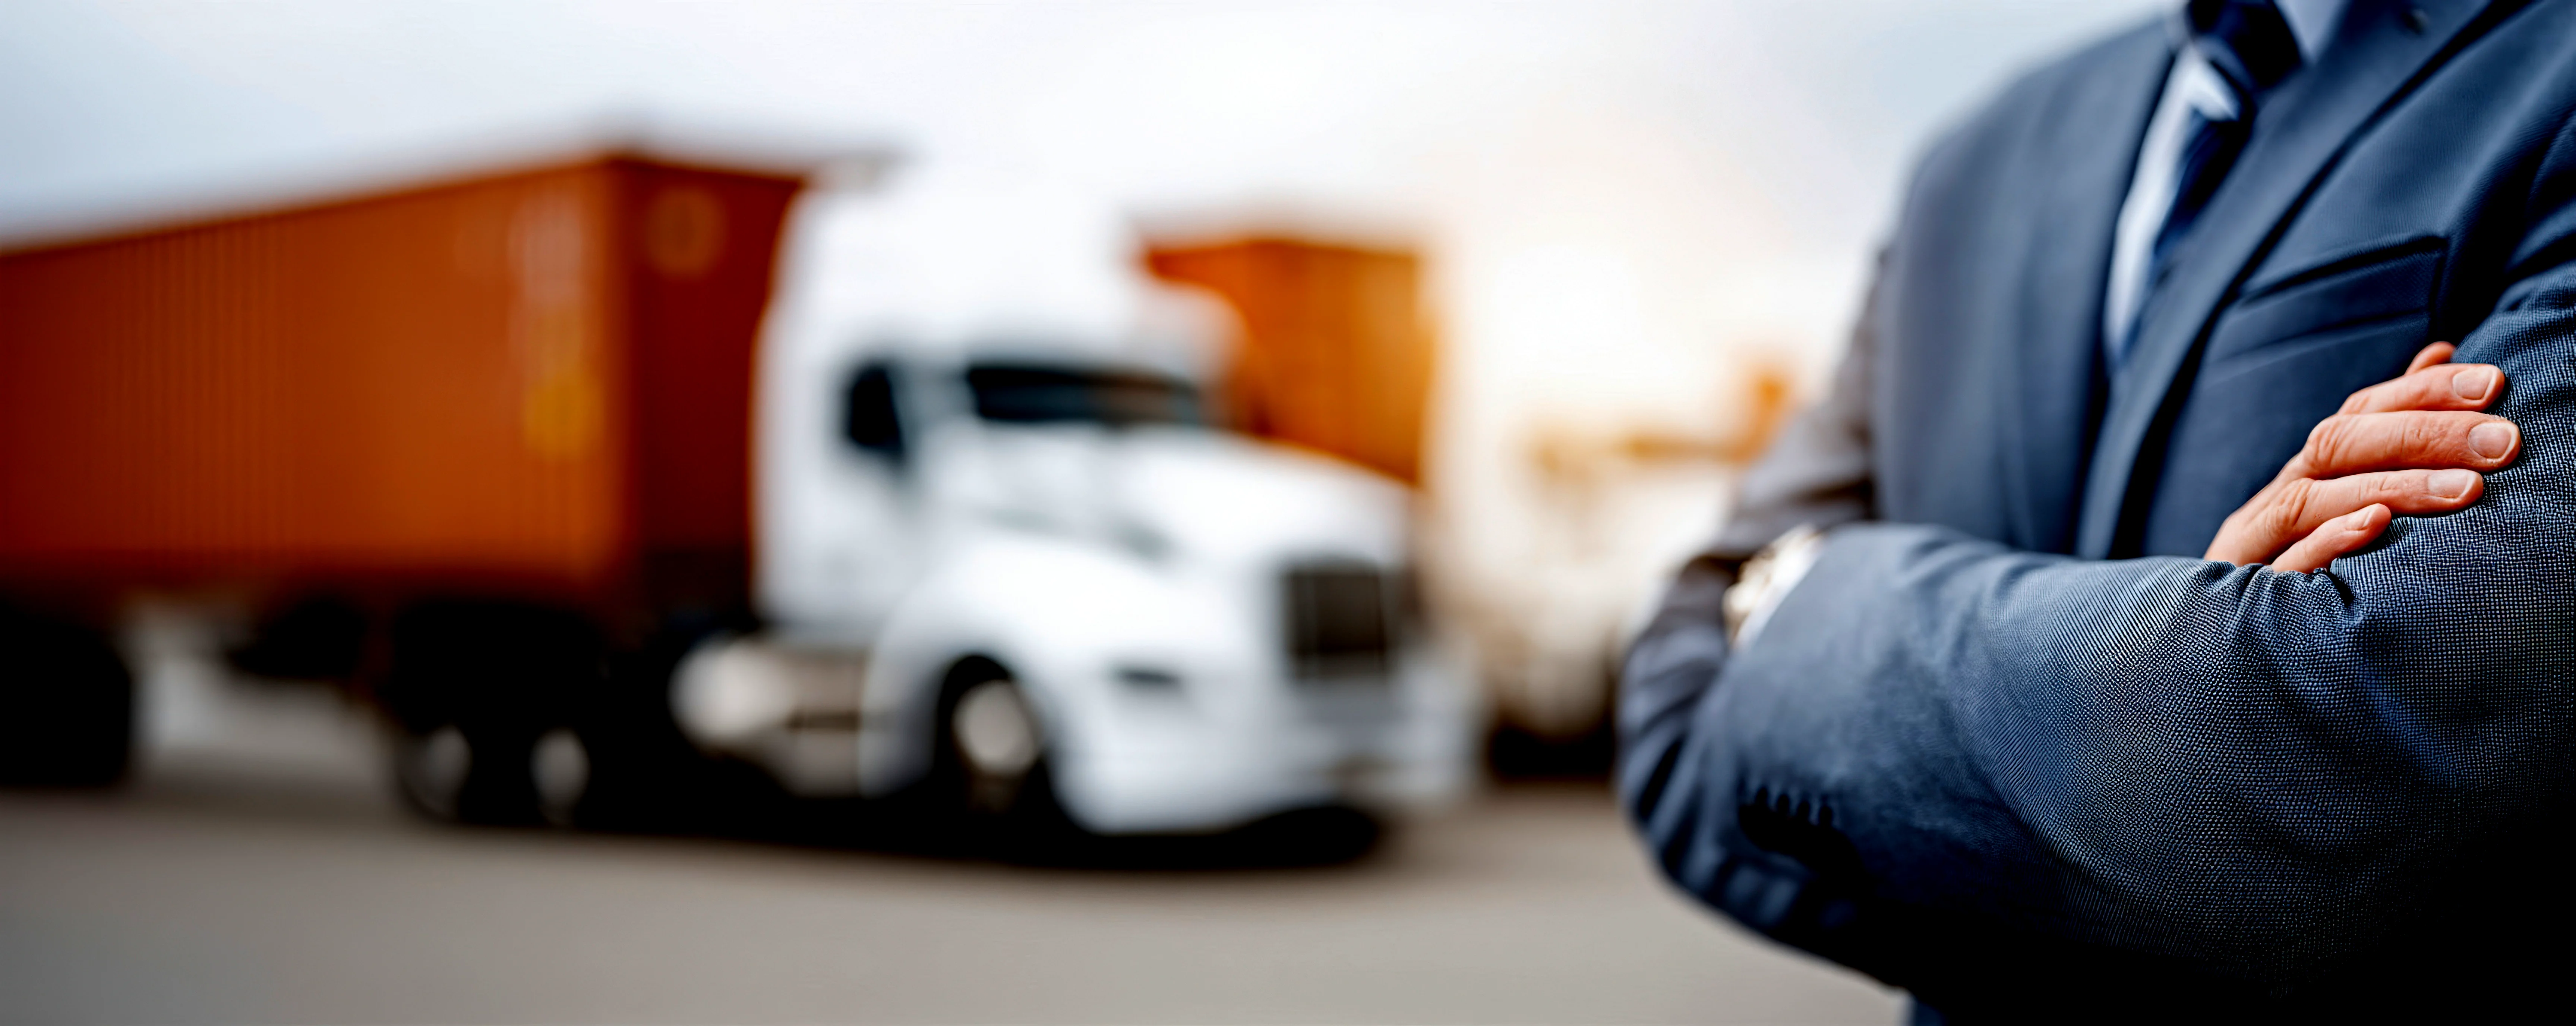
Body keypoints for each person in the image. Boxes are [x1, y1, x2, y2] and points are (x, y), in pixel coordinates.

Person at [1620, 0, 2576, 1018]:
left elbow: (2351, 753)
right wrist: (2183, 656)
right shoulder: (1973, 164)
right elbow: (1676, 708)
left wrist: (1800, 608)